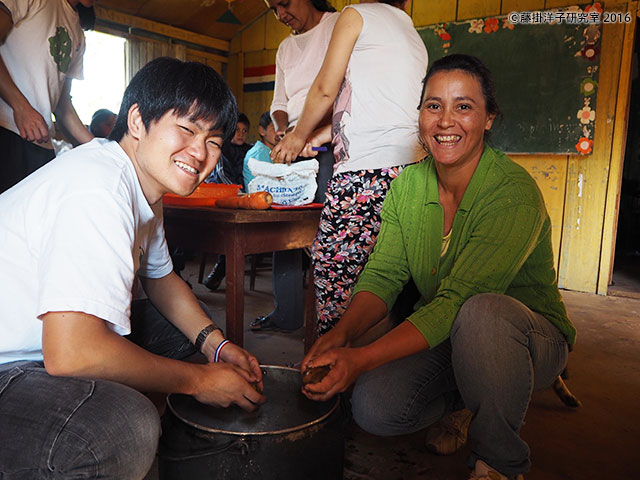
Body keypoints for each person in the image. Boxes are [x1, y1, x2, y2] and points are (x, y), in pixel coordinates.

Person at [300, 55, 577, 480]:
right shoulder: (408, 185)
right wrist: (342, 335)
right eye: (433, 106)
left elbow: (458, 302)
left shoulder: (512, 192)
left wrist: (361, 358)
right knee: (374, 408)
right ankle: (472, 397)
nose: (446, 121)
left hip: (525, 339)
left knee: (482, 313)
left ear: (488, 119)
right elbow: (383, 274)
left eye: (463, 106)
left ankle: (499, 460)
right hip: (453, 332)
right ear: (421, 115)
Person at [0, 57, 265, 479]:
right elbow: (73, 352)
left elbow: (161, 279)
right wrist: (200, 381)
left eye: (214, 141)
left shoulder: (140, 185)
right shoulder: (98, 188)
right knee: (124, 428)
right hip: (9, 363)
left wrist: (217, 347)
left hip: (37, 349)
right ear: (138, 121)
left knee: (177, 334)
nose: (200, 154)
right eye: (187, 129)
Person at [271, 0, 428, 336]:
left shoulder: (354, 16)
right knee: (387, 273)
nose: (280, 12)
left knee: (332, 273)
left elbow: (327, 88)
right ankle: (383, 367)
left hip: (367, 173)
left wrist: (298, 137)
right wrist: (320, 135)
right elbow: (365, 104)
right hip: (411, 169)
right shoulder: (409, 29)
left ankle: (334, 370)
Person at [245, 0, 339, 332]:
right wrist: (286, 129)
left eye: (284, 3)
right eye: (273, 10)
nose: (281, 15)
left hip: (329, 143)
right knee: (284, 228)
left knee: (326, 232)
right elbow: (279, 103)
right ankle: (287, 312)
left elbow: (340, 91)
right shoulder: (285, 48)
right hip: (295, 143)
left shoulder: (339, 26)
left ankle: (333, 319)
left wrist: (307, 134)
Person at [0, 0, 96, 194]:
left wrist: (98, 149)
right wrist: (21, 107)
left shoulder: (78, 33)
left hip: (41, 145)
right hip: (6, 131)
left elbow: (63, 106)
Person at [203, 112, 253, 291]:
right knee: (232, 230)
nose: (241, 134)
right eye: (237, 130)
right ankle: (222, 267)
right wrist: (239, 193)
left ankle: (230, 266)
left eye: (245, 131)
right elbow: (223, 177)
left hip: (246, 197)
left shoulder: (249, 150)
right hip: (223, 197)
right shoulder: (222, 150)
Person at [242, 111, 278, 191]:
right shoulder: (259, 153)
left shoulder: (270, 151)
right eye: (274, 128)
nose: (279, 133)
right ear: (262, 131)